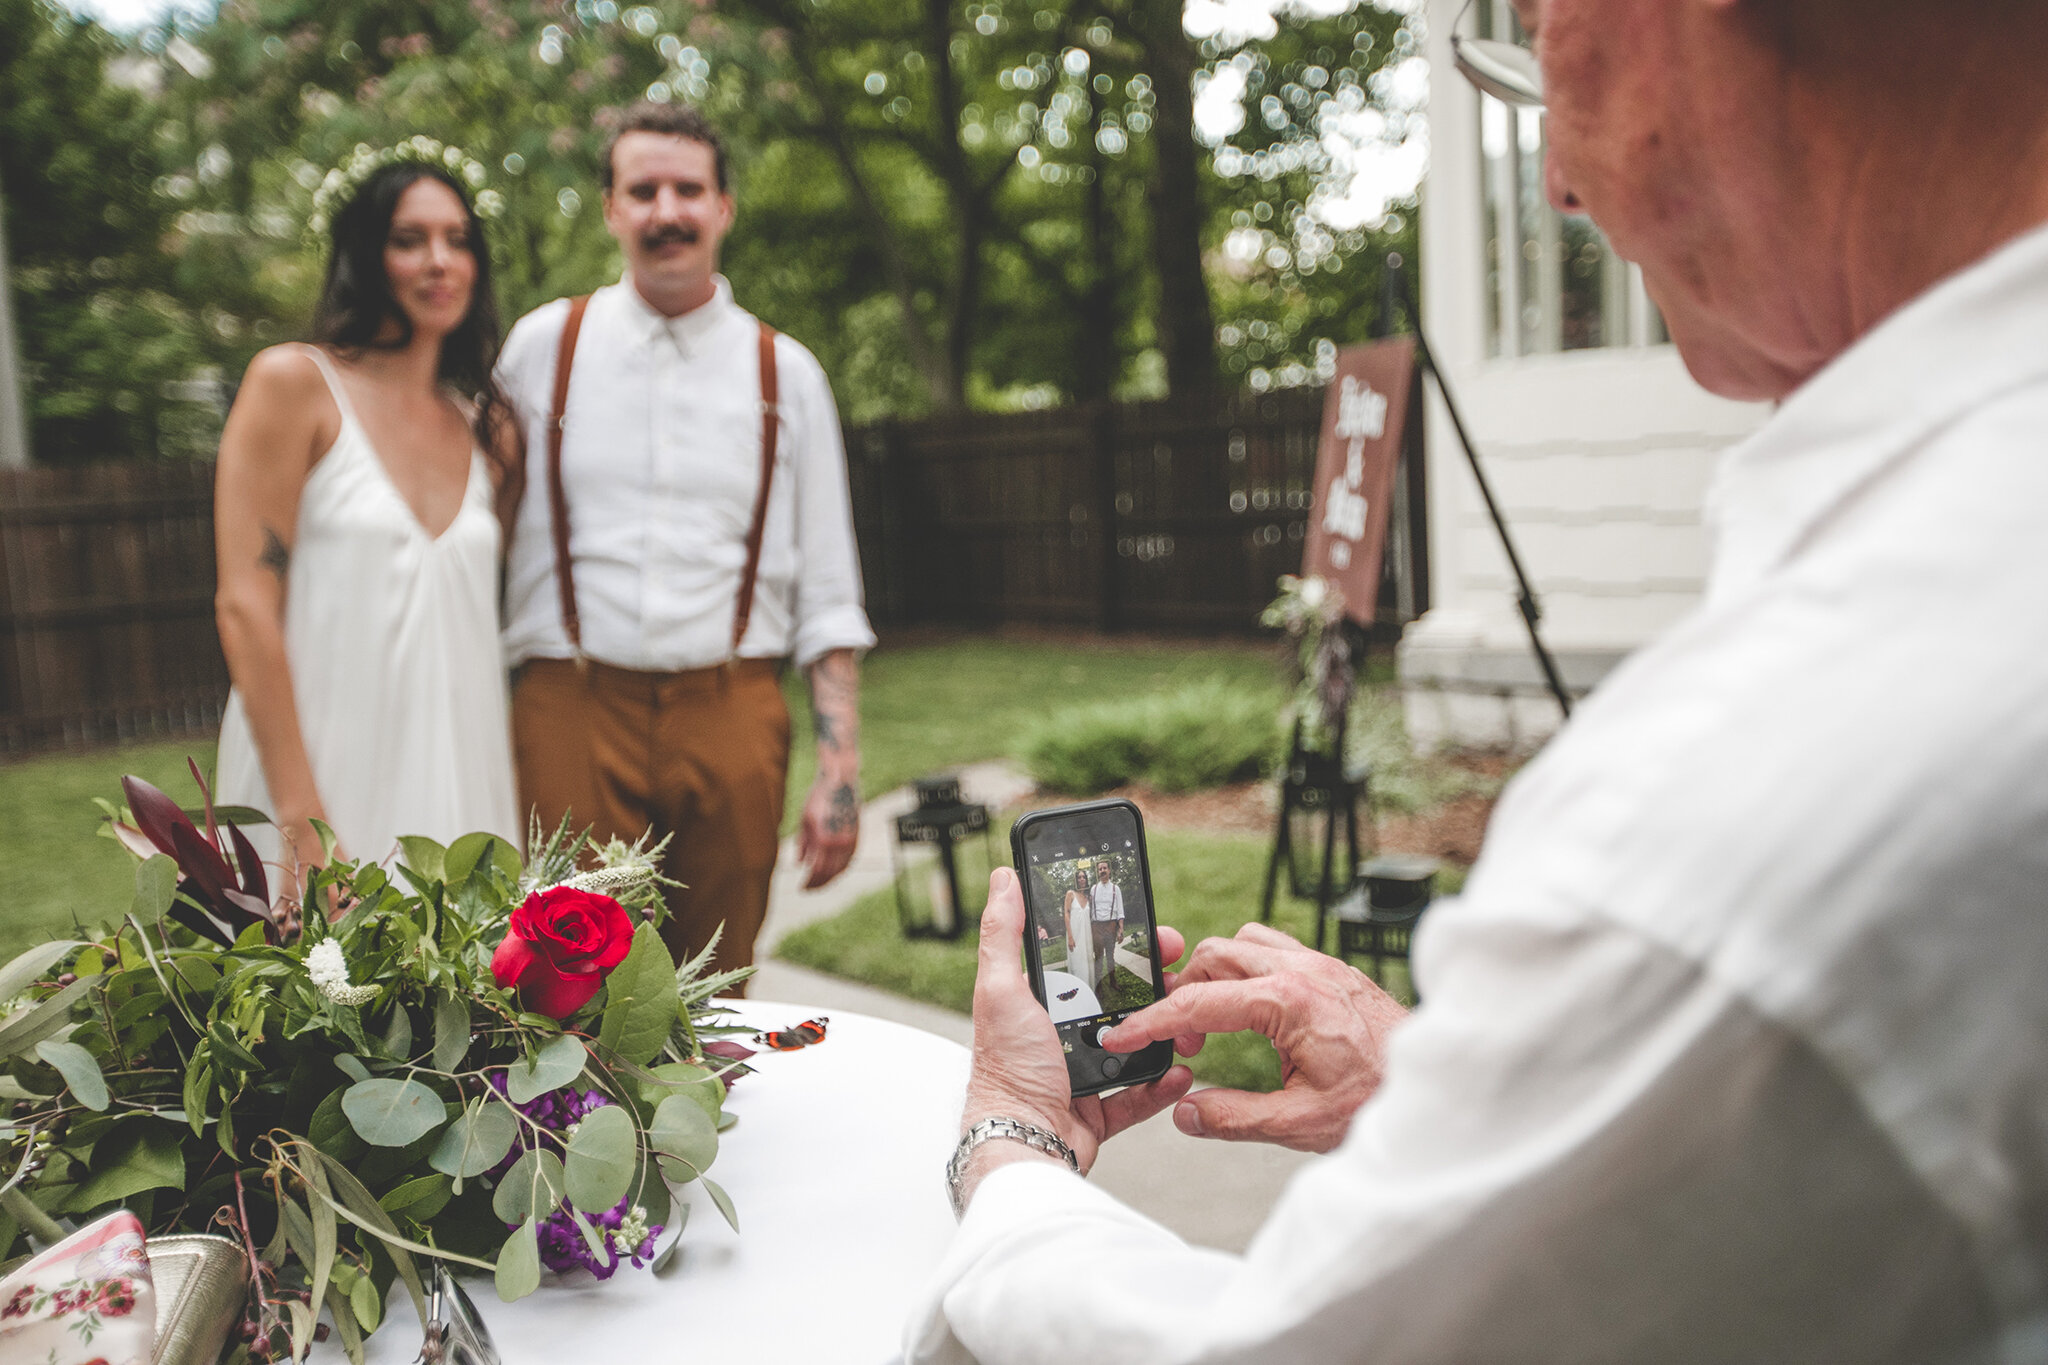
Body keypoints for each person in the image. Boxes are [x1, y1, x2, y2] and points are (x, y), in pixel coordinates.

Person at [911, 1, 2048, 1360]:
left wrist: (1011, 1144)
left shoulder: (1768, 783)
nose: (1558, 181)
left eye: (1545, 48)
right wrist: (1498, 1095)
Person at [494, 103, 874, 980]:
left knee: (716, 976)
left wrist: (840, 775)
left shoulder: (788, 373)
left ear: (724, 207)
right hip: (570, 705)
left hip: (732, 707)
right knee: (560, 987)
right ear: (610, 209)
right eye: (643, 190)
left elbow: (828, 586)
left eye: (688, 190)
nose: (667, 210)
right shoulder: (543, 346)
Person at [213, 149, 520, 883]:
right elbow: (245, 603)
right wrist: (300, 820)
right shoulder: (295, 385)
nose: (439, 261)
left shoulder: (488, 431)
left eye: (458, 239)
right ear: (364, 252)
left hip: (461, 784)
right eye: (409, 239)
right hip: (320, 776)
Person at [1087, 860, 1123, 996]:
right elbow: (1089, 909)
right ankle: (1099, 985)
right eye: (1100, 869)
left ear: (1109, 870)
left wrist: (1120, 929)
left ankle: (1113, 981)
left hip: (1111, 925)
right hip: (1096, 926)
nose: (1102, 871)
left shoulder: (1116, 889)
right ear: (1098, 872)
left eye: (1104, 868)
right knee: (1098, 957)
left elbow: (1120, 911)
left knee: (1110, 956)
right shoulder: (1093, 889)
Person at [1060, 865, 1094, 991]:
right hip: (1074, 935)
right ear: (1075, 880)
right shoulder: (1070, 894)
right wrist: (1070, 937)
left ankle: (1089, 990)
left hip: (1087, 936)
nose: (1081, 879)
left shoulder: (1087, 897)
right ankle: (1078, 990)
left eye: (1084, 877)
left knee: (1088, 962)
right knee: (1077, 963)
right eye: (1079, 877)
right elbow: (1066, 914)